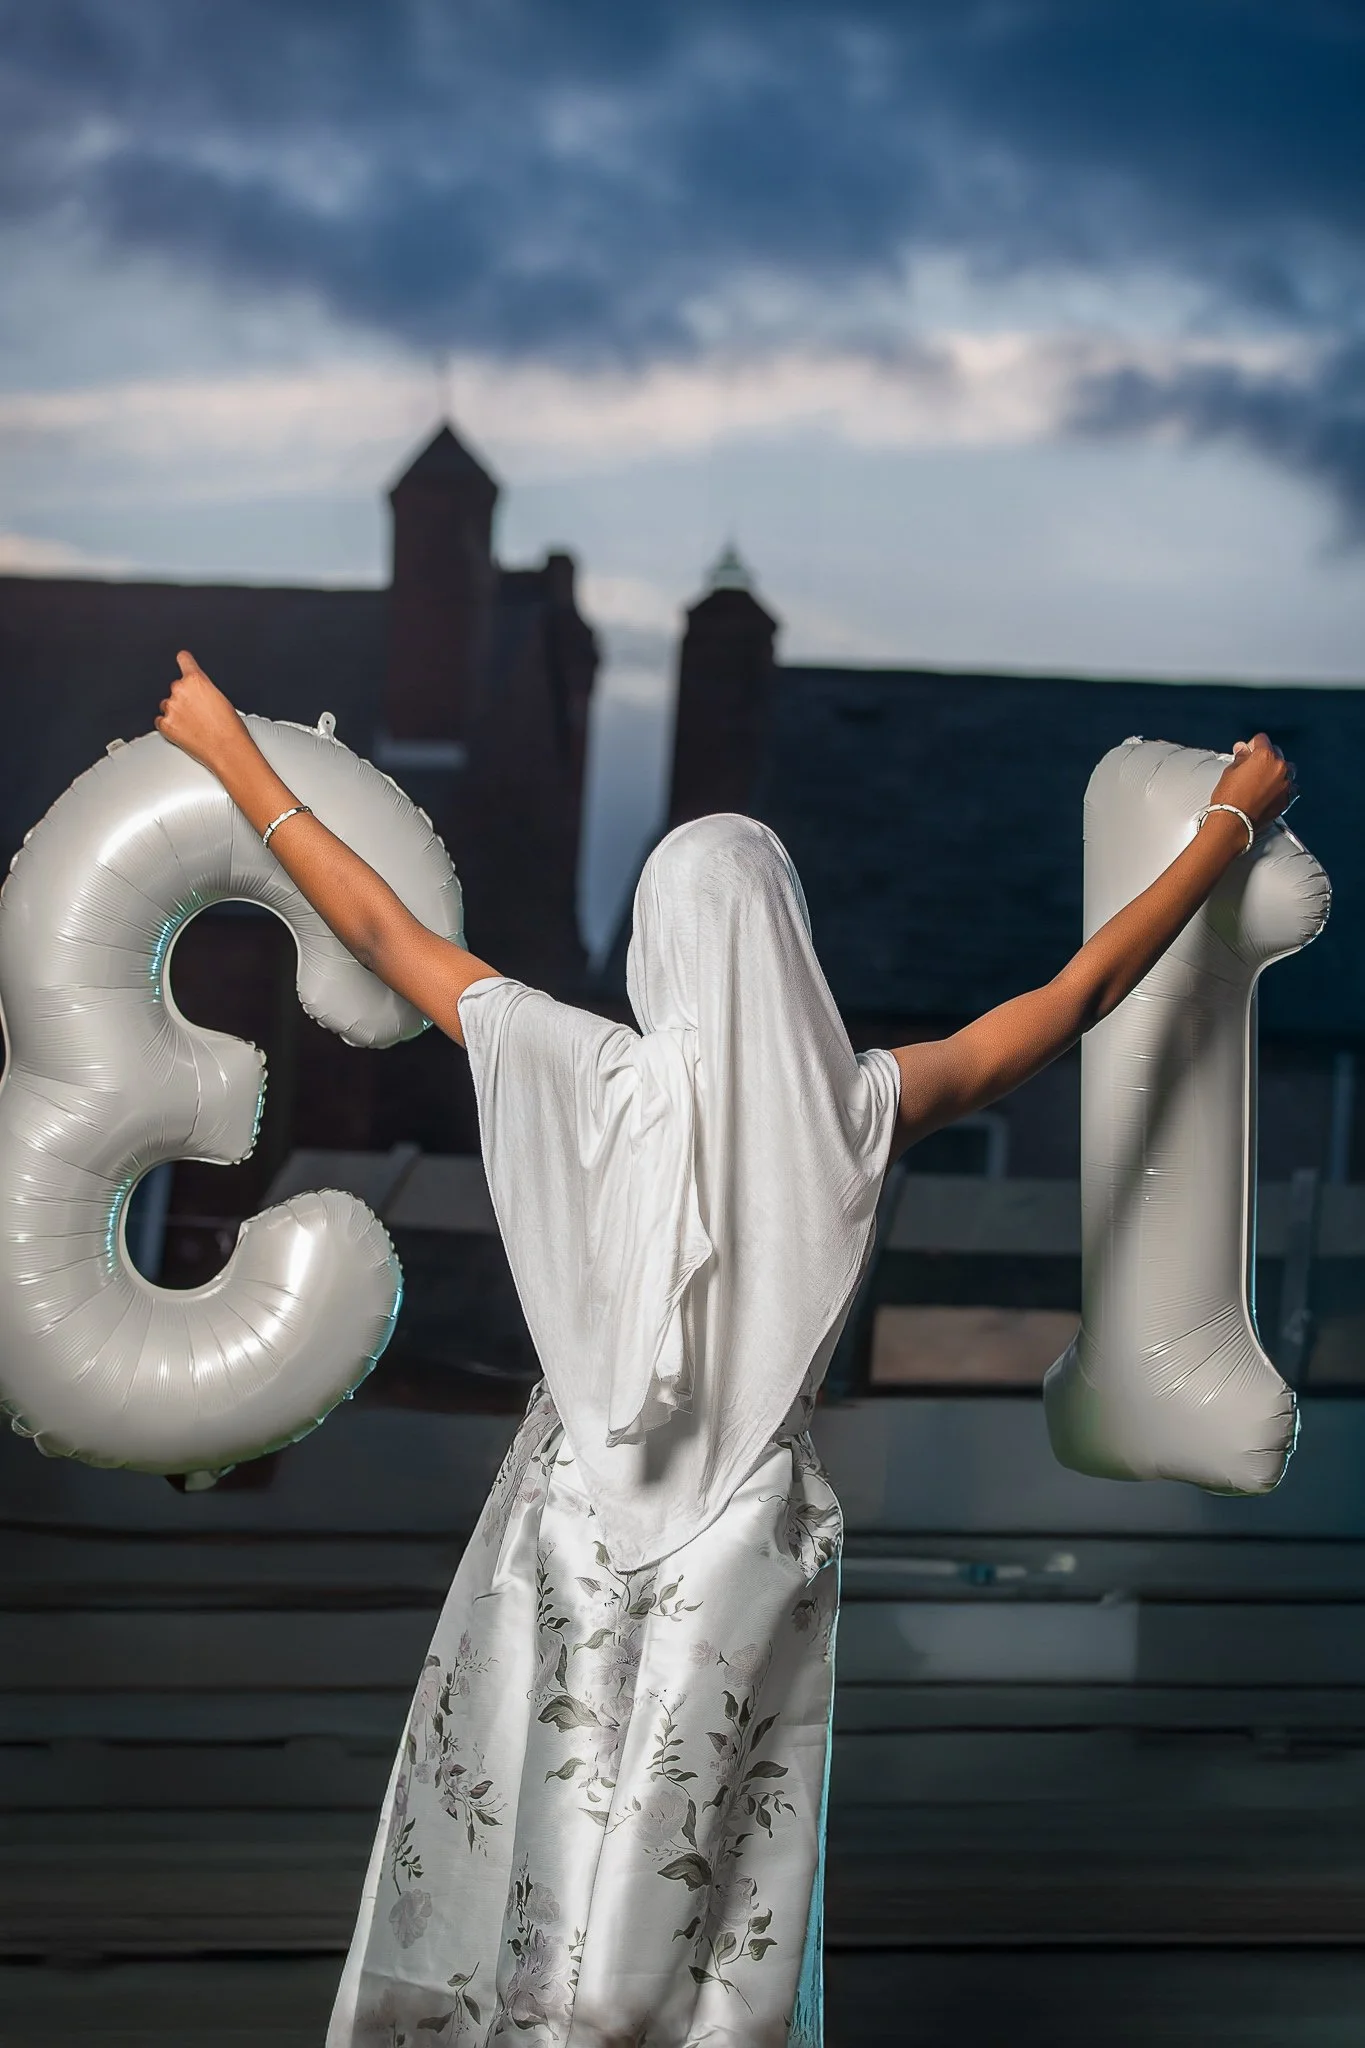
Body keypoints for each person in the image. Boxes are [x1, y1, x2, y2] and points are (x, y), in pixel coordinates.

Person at [156, 652, 1295, 2047]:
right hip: (747, 1533)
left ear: (656, 944)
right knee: (703, 1897)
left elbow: (384, 935)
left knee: (535, 1855)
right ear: (789, 942)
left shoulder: (584, 1072)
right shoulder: (866, 1110)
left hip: (576, 1516)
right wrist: (1228, 824)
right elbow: (1077, 997)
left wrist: (229, 751)